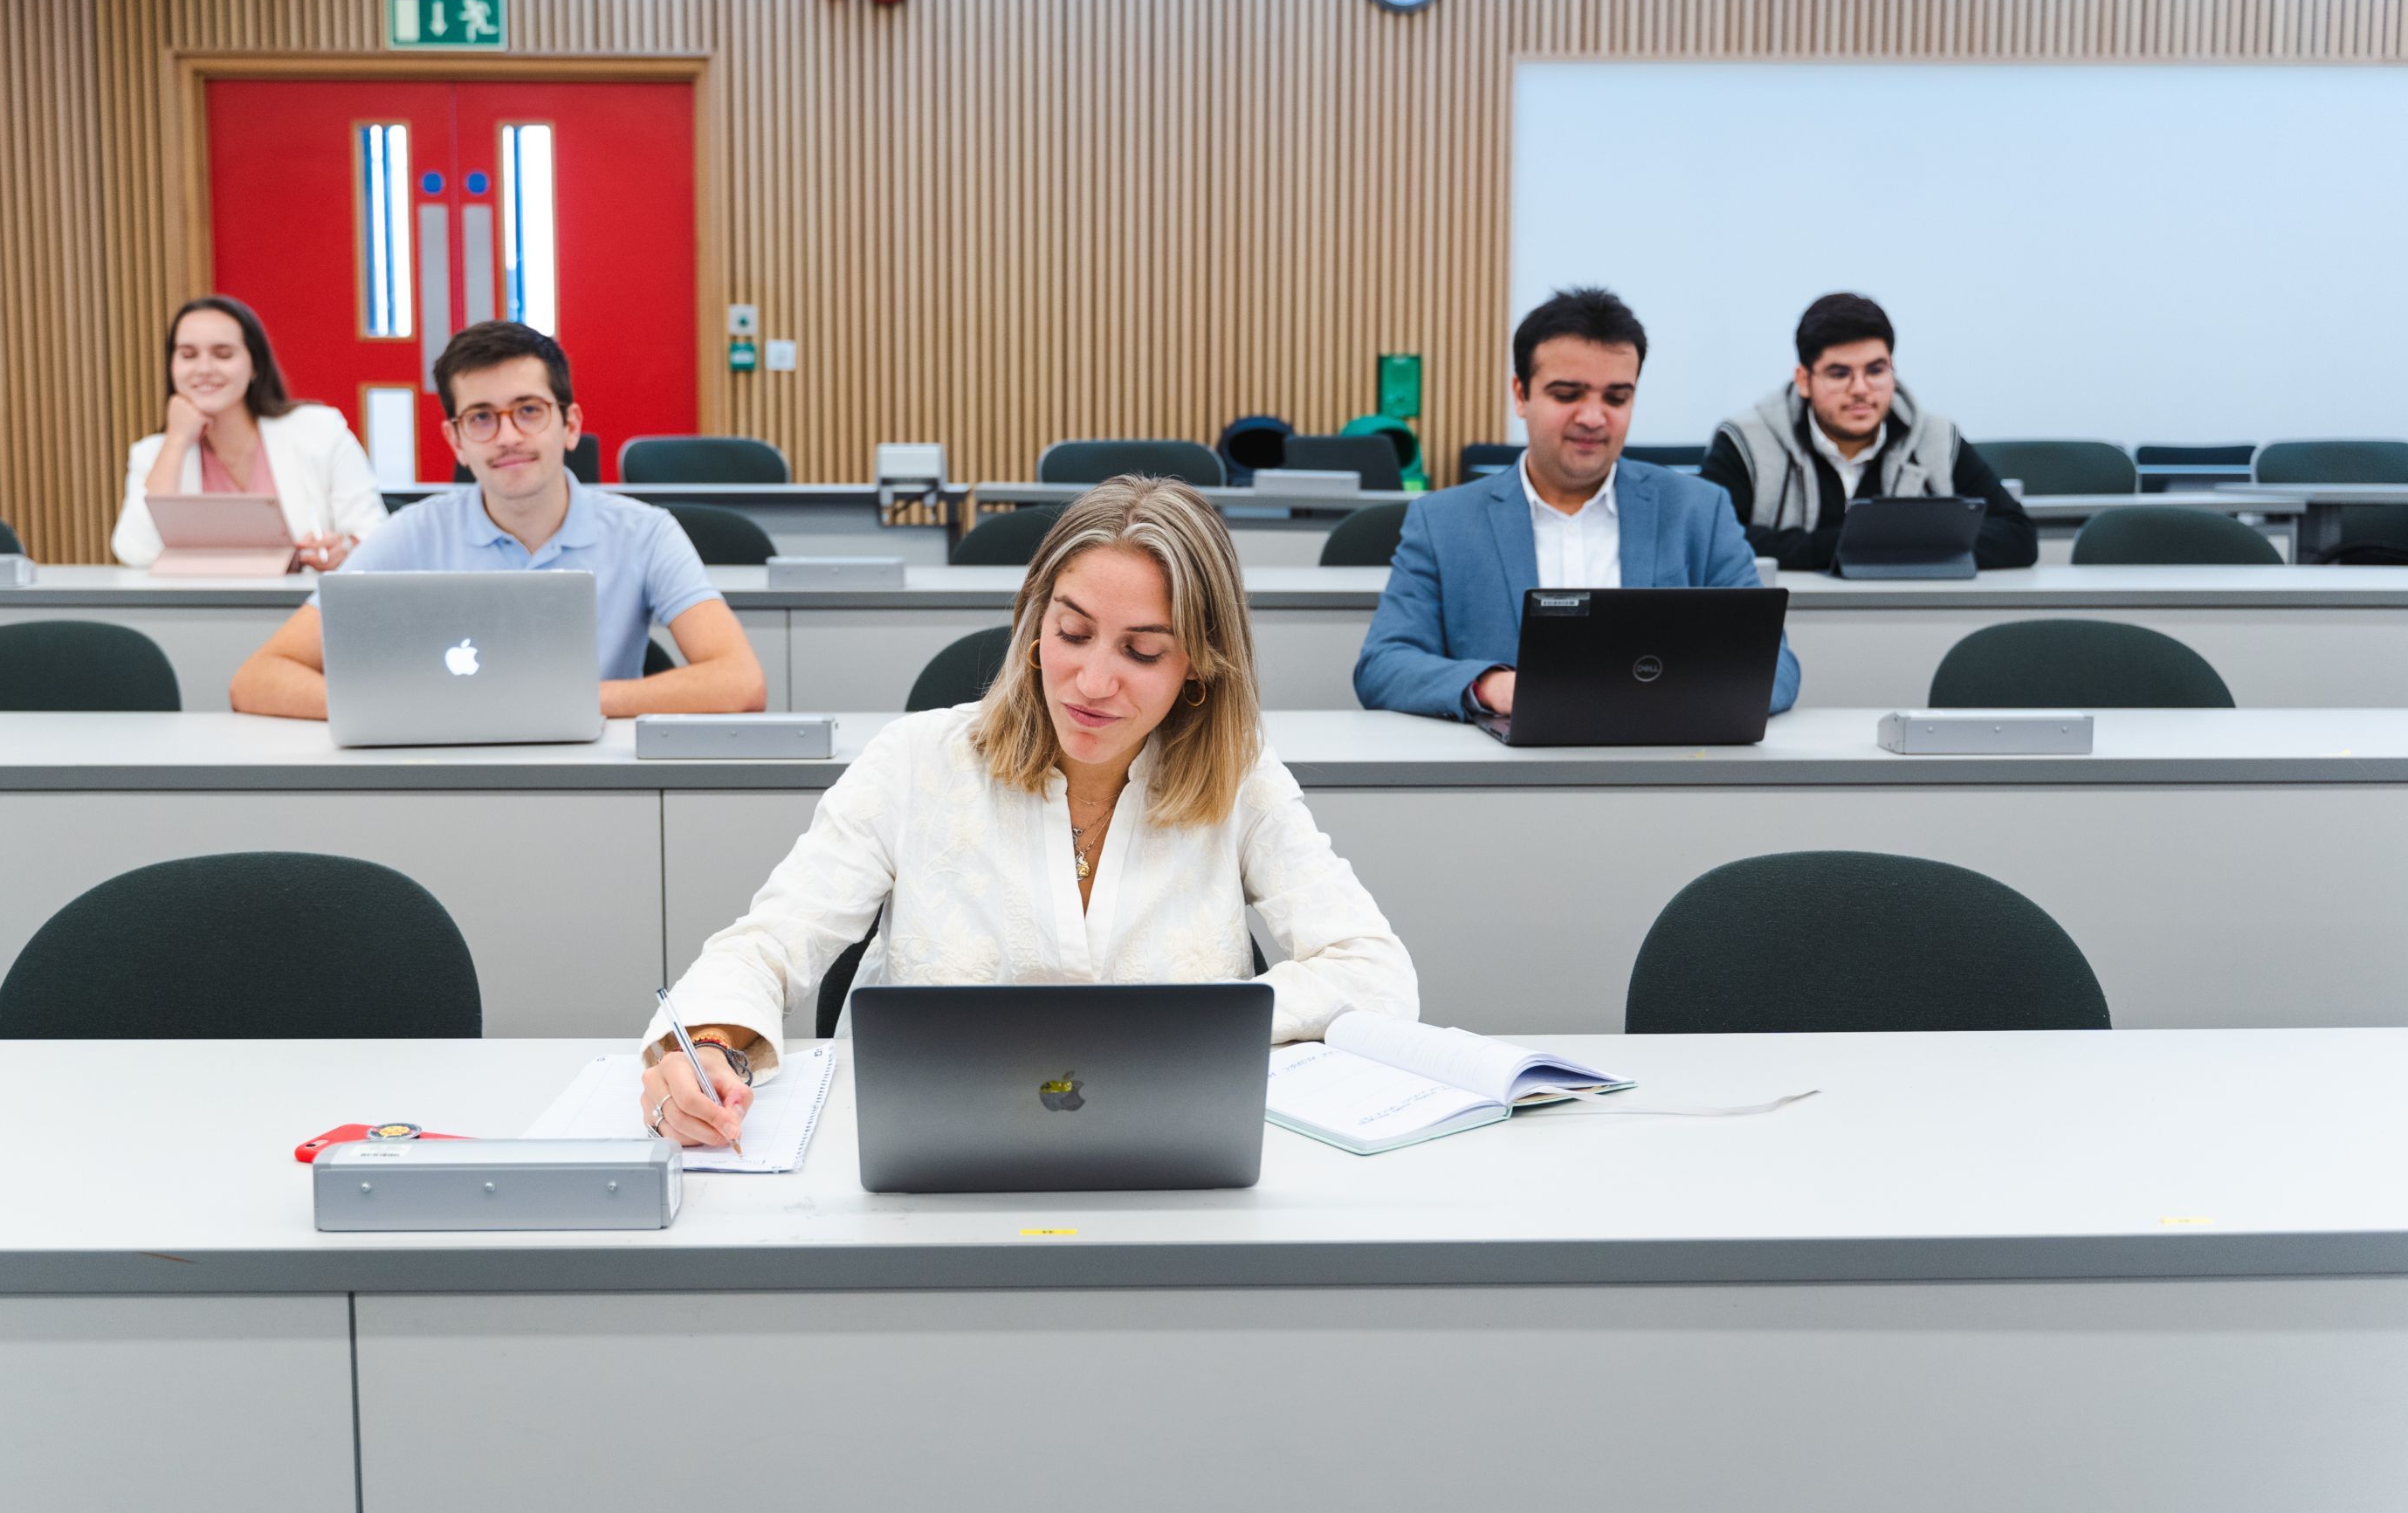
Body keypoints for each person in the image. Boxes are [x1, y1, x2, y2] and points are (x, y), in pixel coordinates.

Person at [641, 476, 1419, 1149]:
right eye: (1072, 633)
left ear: (1199, 668)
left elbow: (1376, 973)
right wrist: (708, 1046)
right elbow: (769, 943)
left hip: (1164, 1163)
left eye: (1142, 652)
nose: (1091, 681)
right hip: (925, 1157)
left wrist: (1205, 1023)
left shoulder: (1240, 776)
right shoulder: (915, 760)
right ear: (1034, 622)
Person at [229, 320, 766, 720]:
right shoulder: (411, 534)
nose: (508, 436)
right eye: (481, 418)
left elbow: (739, 681)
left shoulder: (646, 532)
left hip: (592, 772)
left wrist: (566, 701)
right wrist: (404, 709)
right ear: (456, 441)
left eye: (529, 410)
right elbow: (257, 679)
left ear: (569, 424)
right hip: (439, 770)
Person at [1353, 285, 1799, 722]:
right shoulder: (1443, 521)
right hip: (1501, 782)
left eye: (1616, 398)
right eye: (1567, 395)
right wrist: (1491, 686)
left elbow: (1776, 667)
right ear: (1521, 395)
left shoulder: (1699, 511)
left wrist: (1673, 695)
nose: (1592, 417)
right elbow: (1384, 664)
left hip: (1663, 769)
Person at [1702, 292, 2039, 573]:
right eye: (1839, 374)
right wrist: (1865, 545)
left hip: (1910, 617)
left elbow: (2018, 536)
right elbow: (1709, 539)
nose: (1860, 389)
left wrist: (1877, 546)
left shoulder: (1935, 437)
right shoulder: (1746, 440)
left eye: (1876, 371)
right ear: (1803, 380)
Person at [112, 296, 388, 570]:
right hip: (201, 611)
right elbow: (136, 552)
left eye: (223, 354)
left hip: (310, 608)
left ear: (255, 364)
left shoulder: (319, 430)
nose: (204, 369)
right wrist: (176, 441)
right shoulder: (152, 454)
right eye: (188, 355)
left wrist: (345, 547)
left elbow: (377, 537)